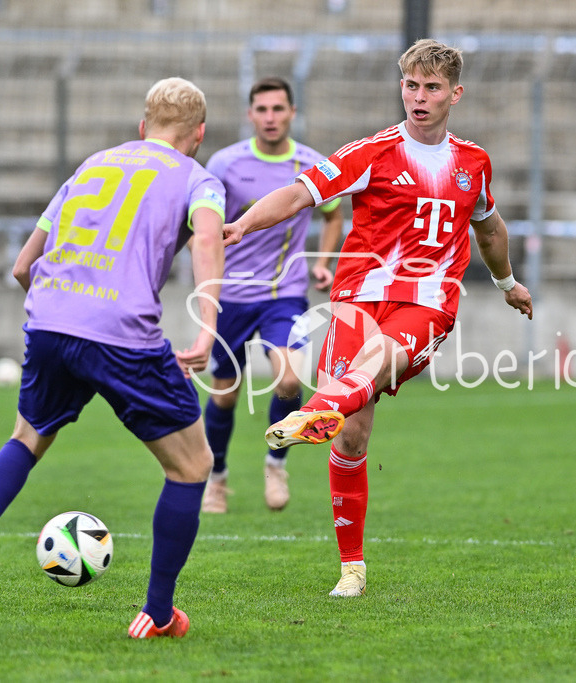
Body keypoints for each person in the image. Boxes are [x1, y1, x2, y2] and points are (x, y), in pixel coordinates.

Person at [0, 77, 226, 638]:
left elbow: (21, 267)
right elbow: (207, 241)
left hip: (51, 319)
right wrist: (205, 330)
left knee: (27, 437)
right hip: (122, 332)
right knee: (192, 466)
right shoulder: (199, 179)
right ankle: (157, 613)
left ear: (142, 126)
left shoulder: (92, 166)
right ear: (199, 134)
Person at [223, 40, 533, 597]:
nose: (420, 97)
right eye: (411, 85)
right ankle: (352, 569)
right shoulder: (371, 153)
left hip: (428, 302)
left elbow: (488, 230)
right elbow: (298, 195)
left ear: (454, 94)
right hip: (359, 300)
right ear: (402, 88)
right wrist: (242, 226)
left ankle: (316, 410)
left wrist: (507, 283)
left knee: (374, 364)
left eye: (432, 88)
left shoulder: (473, 163)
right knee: (353, 437)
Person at [201, 77, 343, 514]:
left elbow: (335, 211)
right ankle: (217, 478)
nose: (270, 117)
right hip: (232, 297)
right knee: (224, 394)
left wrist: (325, 260)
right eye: (261, 109)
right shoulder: (226, 163)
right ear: (250, 115)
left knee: (288, 380)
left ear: (292, 113)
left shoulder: (311, 163)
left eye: (278, 109)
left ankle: (275, 464)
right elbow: (205, 224)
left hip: (285, 293)